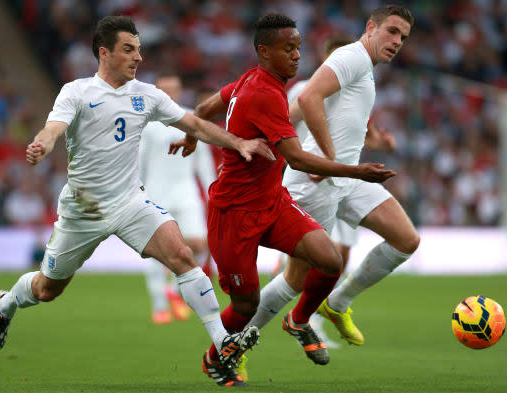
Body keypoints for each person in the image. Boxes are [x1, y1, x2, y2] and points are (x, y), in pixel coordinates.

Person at [0, 15, 276, 372]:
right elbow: (53, 128)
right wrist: (43, 145)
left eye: (138, 50)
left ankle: (222, 343)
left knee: (183, 256)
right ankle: (8, 302)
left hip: (130, 202)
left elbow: (195, 124)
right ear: (104, 53)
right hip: (84, 210)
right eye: (128, 50)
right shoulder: (77, 92)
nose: (137, 57)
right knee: (47, 289)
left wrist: (239, 142)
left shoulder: (147, 95)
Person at [170, 13, 396, 386]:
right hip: (234, 214)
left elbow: (208, 106)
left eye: (298, 47)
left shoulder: (254, 80)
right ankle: (215, 358)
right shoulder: (263, 94)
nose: (296, 56)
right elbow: (298, 159)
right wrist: (357, 171)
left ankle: (301, 319)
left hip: (272, 203)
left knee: (328, 259)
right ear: (264, 51)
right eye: (287, 48)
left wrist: (194, 134)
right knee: (246, 305)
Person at [247, 5, 419, 363]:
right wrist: (327, 159)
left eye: (403, 37)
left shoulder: (366, 71)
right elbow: (309, 98)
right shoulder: (351, 56)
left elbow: (298, 111)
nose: (397, 42)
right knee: (295, 279)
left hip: (345, 176)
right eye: (392, 32)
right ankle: (236, 342)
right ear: (371, 27)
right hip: (316, 181)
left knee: (406, 240)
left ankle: (337, 303)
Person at [276, 34, 398, 349]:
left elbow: (360, 136)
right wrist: (309, 158)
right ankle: (306, 319)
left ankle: (318, 312)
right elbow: (284, 125)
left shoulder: (357, 89)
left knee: (339, 256)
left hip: (345, 179)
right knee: (310, 261)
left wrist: (380, 143)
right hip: (312, 179)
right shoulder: (306, 90)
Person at [139, 73, 216, 324]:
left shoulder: (191, 118)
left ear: (181, 90)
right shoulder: (147, 123)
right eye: (165, 90)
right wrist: (136, 192)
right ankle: (159, 305)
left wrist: (211, 190)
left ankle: (173, 289)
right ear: (157, 93)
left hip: (185, 192)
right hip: (156, 193)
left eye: (174, 89)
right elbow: (139, 163)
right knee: (156, 252)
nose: (170, 94)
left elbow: (203, 162)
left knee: (200, 246)